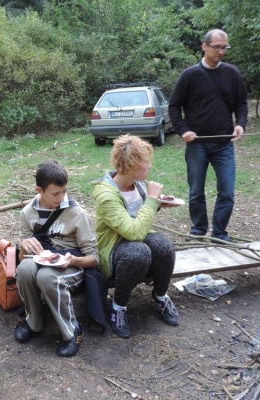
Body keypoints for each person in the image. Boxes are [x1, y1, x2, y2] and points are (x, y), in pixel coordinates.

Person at [92, 134, 179, 339]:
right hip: (113, 252)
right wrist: (151, 201)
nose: (150, 166)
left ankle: (160, 295)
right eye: (147, 163)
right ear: (132, 166)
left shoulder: (137, 184)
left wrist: (158, 203)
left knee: (163, 244)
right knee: (138, 252)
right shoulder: (106, 195)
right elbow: (134, 232)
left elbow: (138, 217)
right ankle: (119, 307)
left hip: (136, 244)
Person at [168, 29, 248, 241]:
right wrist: (183, 130)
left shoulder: (232, 73)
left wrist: (240, 124)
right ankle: (198, 230)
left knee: (227, 192)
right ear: (204, 46)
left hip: (224, 144)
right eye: (217, 47)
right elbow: (174, 106)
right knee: (196, 191)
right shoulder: (190, 75)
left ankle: (220, 233)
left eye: (225, 47)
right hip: (197, 145)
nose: (221, 51)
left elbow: (241, 104)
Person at [14, 160, 100, 357]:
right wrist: (24, 246)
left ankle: (72, 332)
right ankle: (33, 322)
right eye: (55, 193)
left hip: (72, 264)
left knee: (46, 277)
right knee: (24, 270)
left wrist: (73, 261)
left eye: (64, 192)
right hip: (42, 260)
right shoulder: (28, 213)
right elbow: (22, 258)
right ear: (39, 190)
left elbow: (94, 258)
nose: (61, 198)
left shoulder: (77, 213)